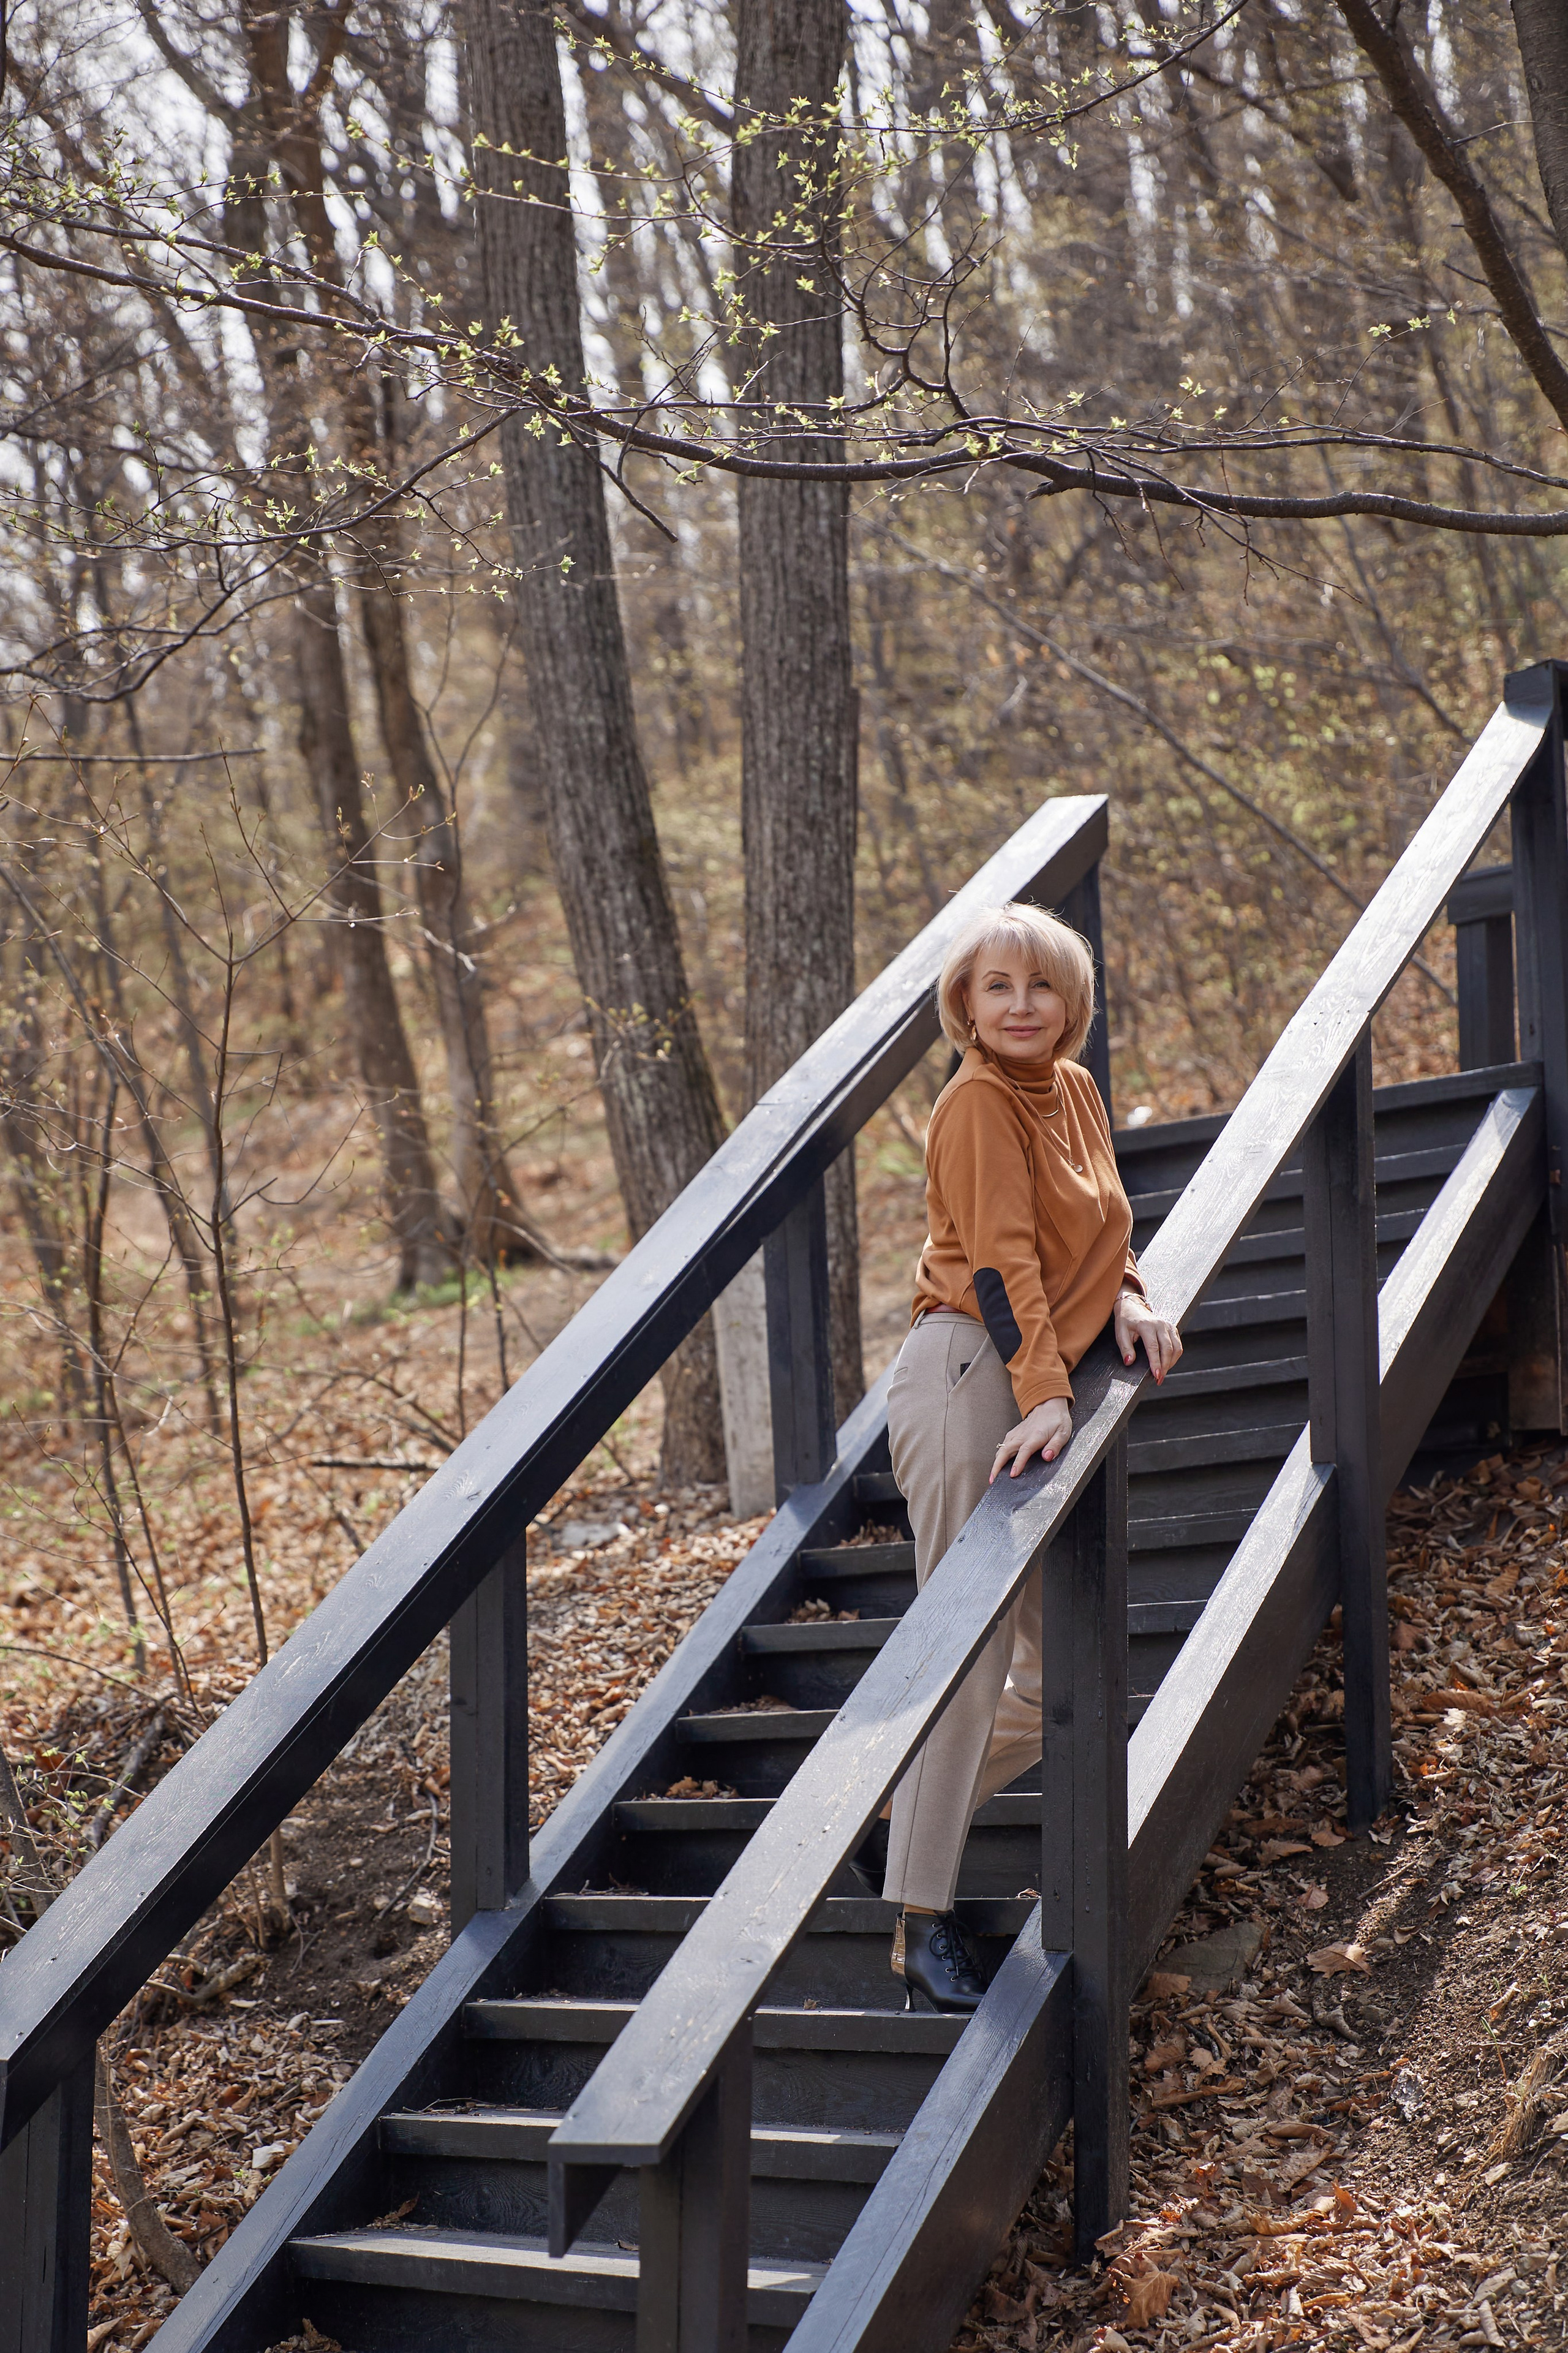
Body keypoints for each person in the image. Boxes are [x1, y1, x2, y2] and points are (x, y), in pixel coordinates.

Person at [855, 901, 1182, 2013]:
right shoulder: (977, 1101)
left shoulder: (1076, 1093)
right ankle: (920, 1919)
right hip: (968, 1377)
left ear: (1070, 999)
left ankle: (896, 1819)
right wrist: (1048, 1392)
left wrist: (1131, 1295)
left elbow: (1093, 1232)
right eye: (998, 986)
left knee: (1049, 1673)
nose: (1021, 1005)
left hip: (1030, 1373)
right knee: (975, 1644)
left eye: (1040, 985)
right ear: (967, 1002)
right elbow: (998, 1261)